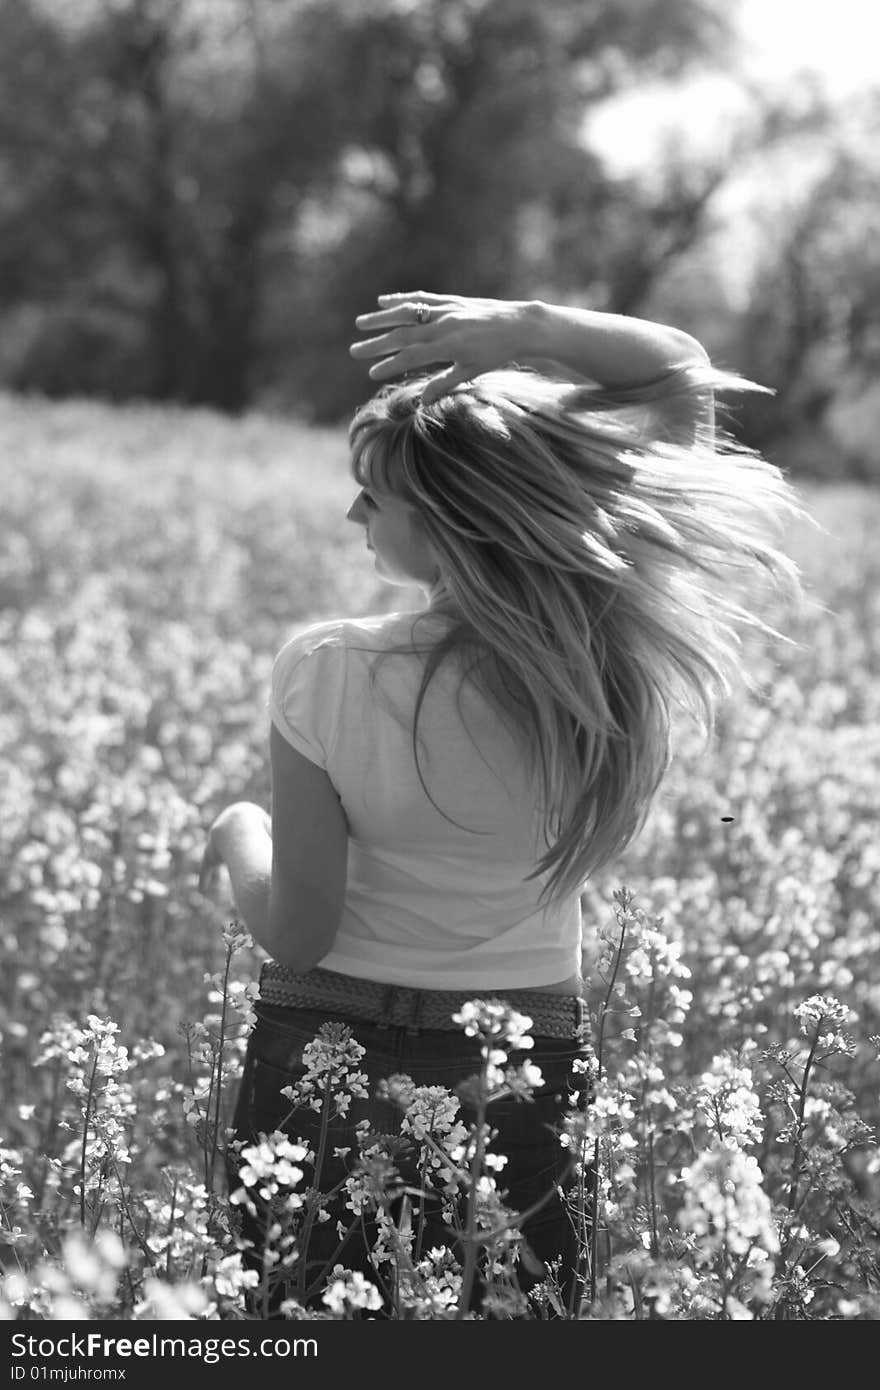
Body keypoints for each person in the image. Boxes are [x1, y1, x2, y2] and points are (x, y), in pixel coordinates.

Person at [199, 292, 806, 1317]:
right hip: (521, 1058)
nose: (354, 515)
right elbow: (675, 371)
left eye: (373, 497)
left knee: (295, 1328)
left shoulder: (326, 668)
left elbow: (298, 935)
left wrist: (236, 833)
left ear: (446, 527)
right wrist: (520, 325)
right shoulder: (597, 664)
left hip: (328, 1046)